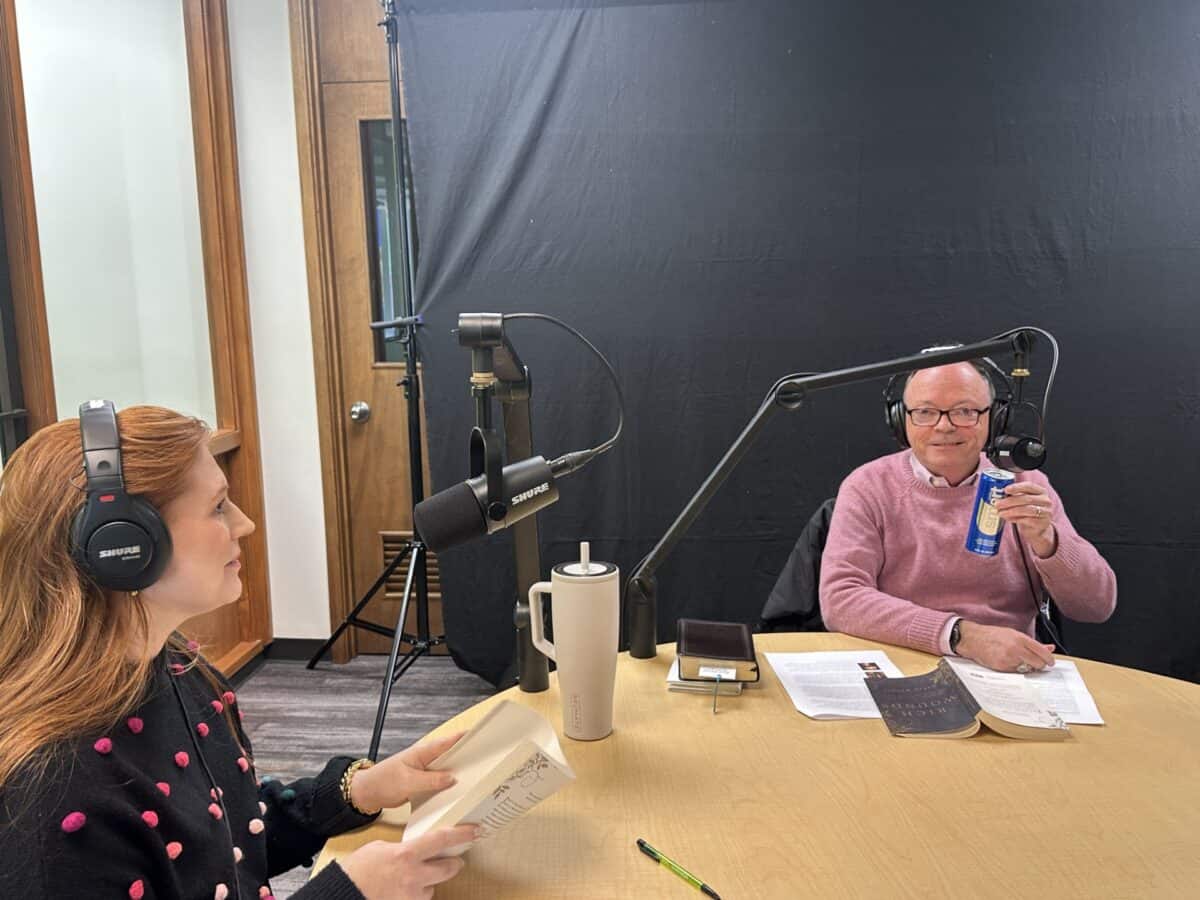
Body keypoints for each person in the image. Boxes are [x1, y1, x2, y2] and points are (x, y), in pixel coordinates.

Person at [0, 405, 476, 899]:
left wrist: (358, 791)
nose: (245, 524)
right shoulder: (51, 791)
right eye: (219, 507)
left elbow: (225, 838)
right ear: (124, 545)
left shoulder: (182, 671)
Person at [819, 361, 1117, 673]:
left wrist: (1049, 542)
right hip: (900, 663)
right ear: (900, 420)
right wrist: (962, 636)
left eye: (965, 411)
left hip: (1009, 673)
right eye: (925, 411)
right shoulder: (868, 486)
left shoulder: (1025, 483)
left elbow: (1096, 606)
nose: (944, 426)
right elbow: (841, 599)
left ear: (995, 418)